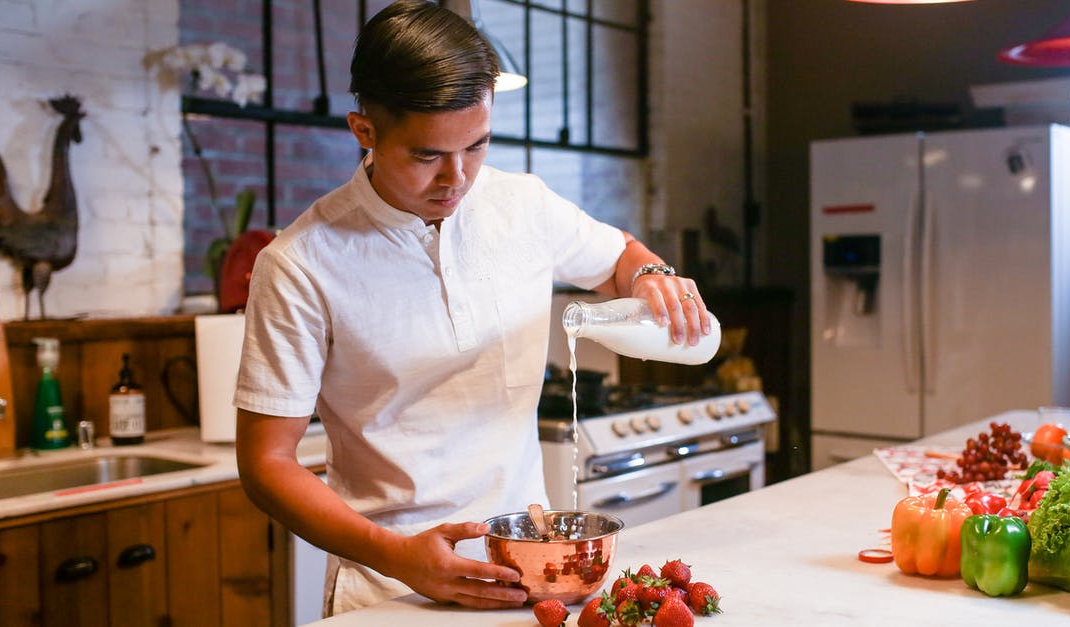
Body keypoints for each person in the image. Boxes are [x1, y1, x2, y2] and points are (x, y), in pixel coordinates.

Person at [233, 0, 713, 617]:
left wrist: (651, 274)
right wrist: (397, 554)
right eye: (427, 155)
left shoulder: (524, 205)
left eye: (478, 145)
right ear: (365, 132)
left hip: (532, 578)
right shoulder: (299, 263)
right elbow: (266, 462)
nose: (457, 178)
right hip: (389, 590)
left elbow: (618, 255)